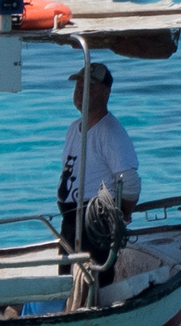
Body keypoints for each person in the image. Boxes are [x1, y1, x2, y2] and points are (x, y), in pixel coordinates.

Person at [56, 62, 140, 281]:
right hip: (69, 220)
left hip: (94, 222)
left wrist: (121, 215)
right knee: (67, 280)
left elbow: (129, 183)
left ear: (106, 92)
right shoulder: (74, 128)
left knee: (94, 282)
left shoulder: (110, 132)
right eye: (79, 85)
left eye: (90, 86)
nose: (81, 91)